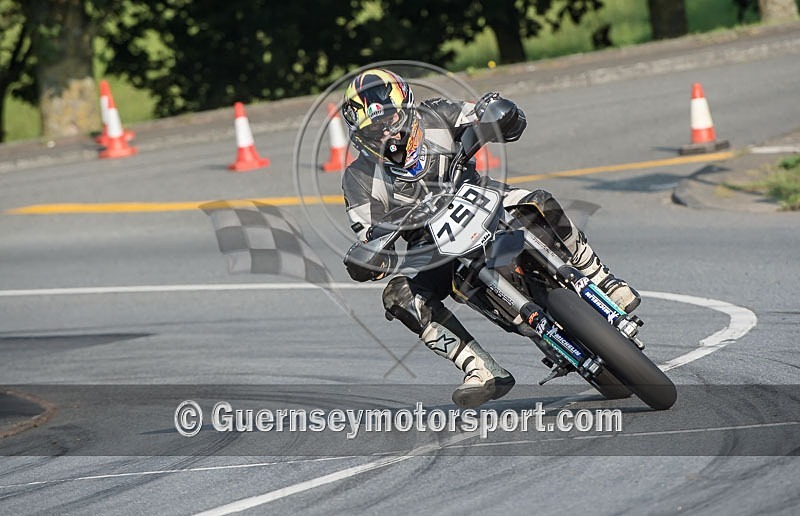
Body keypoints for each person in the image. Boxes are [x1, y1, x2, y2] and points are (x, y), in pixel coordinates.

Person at [341, 68, 639, 408]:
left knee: (538, 201)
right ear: (360, 135)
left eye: (389, 120)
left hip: (485, 199)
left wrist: (497, 112)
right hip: (434, 248)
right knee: (399, 296)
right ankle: (480, 368)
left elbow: (490, 117)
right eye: (374, 128)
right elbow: (367, 235)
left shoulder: (437, 114)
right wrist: (371, 255)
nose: (386, 132)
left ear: (406, 108)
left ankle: (602, 279)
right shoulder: (357, 178)